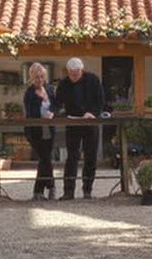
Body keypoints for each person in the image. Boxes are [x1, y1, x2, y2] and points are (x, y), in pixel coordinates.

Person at [55, 57, 105, 200]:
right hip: (73, 122)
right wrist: (54, 111)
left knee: (90, 157)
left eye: (76, 74)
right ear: (68, 72)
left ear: (82, 70)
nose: (74, 77)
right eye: (71, 74)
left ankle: (87, 190)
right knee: (72, 157)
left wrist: (93, 113)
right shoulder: (64, 84)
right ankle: (68, 192)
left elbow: (100, 101)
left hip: (90, 122)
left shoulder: (93, 80)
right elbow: (58, 102)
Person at [23, 62, 57, 201]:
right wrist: (41, 105)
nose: (40, 79)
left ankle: (39, 192)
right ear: (32, 77)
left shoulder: (49, 89)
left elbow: (55, 104)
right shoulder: (29, 93)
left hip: (48, 129)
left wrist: (52, 113)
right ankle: (51, 186)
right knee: (45, 159)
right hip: (35, 130)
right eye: (37, 77)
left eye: (42, 76)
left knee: (45, 160)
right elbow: (30, 111)